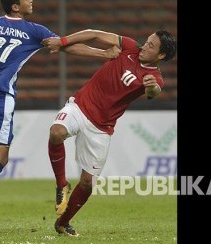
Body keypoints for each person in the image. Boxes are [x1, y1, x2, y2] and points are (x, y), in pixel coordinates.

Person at [0, 0, 119, 234]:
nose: (31, 0)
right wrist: (105, 55)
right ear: (16, 6)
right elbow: (64, 45)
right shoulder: (34, 31)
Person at [41, 29, 176, 236]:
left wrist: (151, 88)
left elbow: (154, 91)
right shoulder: (129, 47)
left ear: (161, 56)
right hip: (80, 106)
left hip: (101, 128)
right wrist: (62, 41)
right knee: (56, 132)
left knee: (87, 184)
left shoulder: (154, 77)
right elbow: (93, 34)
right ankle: (61, 184)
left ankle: (62, 222)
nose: (144, 46)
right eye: (147, 41)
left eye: (151, 46)